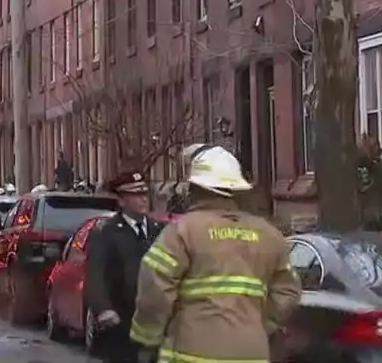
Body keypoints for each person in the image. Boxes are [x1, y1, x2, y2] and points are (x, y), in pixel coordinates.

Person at [129, 146, 301, 363]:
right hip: (250, 353)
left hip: (191, 353)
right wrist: (256, 322)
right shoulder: (269, 235)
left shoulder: (182, 231)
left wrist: (147, 338)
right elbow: (288, 291)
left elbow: (154, 288)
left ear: (196, 189)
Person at [84, 171, 163, 363]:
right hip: (121, 321)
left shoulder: (159, 230)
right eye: (136, 195)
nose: (143, 199)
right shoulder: (106, 232)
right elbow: (95, 275)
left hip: (155, 321)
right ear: (121, 201)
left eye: (145, 193)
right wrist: (104, 309)